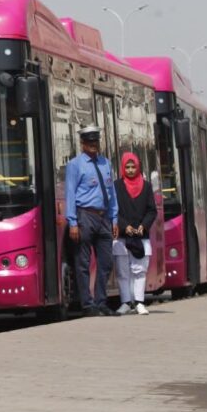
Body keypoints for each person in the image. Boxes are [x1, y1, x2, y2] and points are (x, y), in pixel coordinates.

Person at [65, 125, 120, 317]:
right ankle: (88, 305)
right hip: (84, 215)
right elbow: (70, 193)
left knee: (106, 262)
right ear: (82, 143)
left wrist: (114, 218)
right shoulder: (75, 165)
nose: (93, 145)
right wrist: (72, 222)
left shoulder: (106, 163)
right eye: (89, 142)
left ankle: (101, 302)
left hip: (103, 217)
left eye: (95, 141)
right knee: (83, 262)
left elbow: (112, 193)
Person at [113, 152, 155, 315]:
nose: (130, 170)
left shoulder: (147, 186)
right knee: (122, 271)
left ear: (138, 167)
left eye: (133, 167)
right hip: (122, 237)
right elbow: (113, 210)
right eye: (127, 167)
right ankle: (125, 302)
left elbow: (151, 210)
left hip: (140, 236)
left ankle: (139, 302)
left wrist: (144, 226)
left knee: (139, 270)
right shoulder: (116, 186)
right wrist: (125, 226)